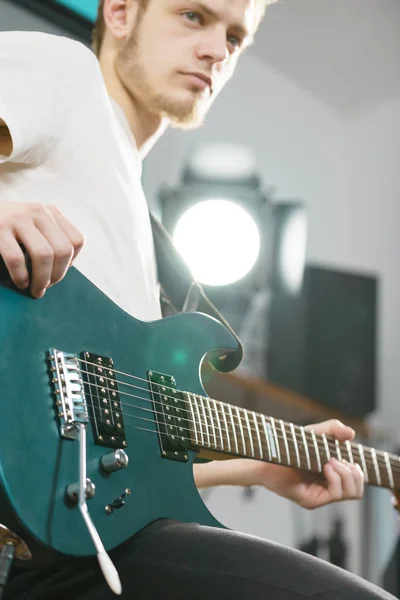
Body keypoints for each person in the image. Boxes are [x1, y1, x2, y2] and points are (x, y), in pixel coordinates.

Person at [0, 1, 395, 598]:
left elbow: (113, 458)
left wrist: (258, 468)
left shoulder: (143, 231)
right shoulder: (67, 73)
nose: (217, 49)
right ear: (122, 12)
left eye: (235, 37)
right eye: (193, 16)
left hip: (68, 534)